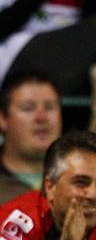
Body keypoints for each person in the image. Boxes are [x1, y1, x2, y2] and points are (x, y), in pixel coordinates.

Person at [0, 71, 61, 204]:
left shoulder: (87, 181)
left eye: (49, 107)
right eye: (28, 108)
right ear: (3, 119)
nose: (41, 117)